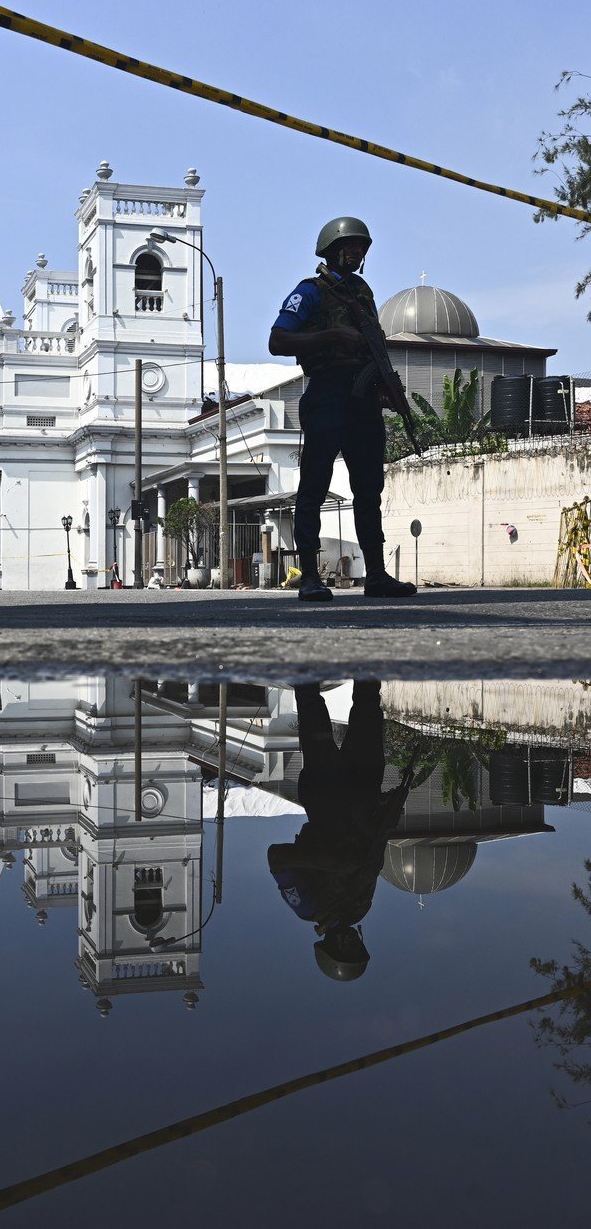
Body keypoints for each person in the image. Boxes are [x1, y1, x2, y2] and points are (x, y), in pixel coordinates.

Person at [269, 217, 416, 601]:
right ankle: (310, 578)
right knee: (314, 488)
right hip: (327, 395)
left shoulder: (363, 293)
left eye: (362, 247)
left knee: (369, 492)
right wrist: (332, 336)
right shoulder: (310, 291)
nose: (357, 253)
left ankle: (378, 575)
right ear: (332, 250)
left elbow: (373, 346)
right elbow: (278, 339)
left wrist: (386, 388)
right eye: (349, 246)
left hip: (364, 400)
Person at [267, 681, 413, 981]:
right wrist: (386, 815)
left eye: (345, 949)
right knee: (369, 706)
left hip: (326, 798)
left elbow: (277, 858)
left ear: (329, 946)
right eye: (356, 948)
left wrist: (328, 862)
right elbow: (372, 853)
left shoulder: (309, 908)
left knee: (311, 707)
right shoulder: (360, 907)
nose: (351, 942)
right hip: (364, 795)